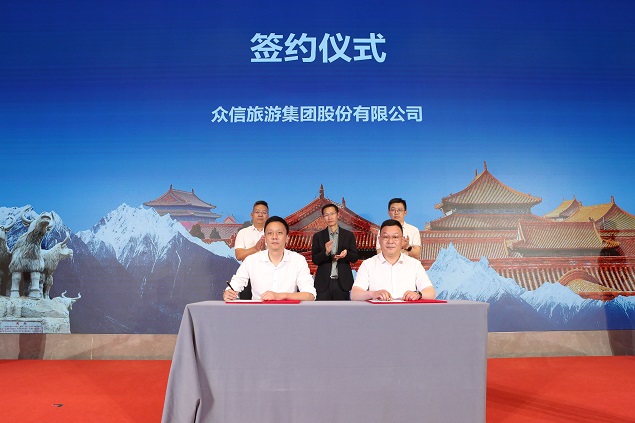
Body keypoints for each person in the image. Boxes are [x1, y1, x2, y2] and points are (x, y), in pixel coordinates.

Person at [224, 216, 316, 301]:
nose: (274, 237)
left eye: (279, 233)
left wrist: (281, 296)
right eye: (270, 233)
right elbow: (236, 284)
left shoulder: (298, 260)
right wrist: (228, 292)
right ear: (265, 238)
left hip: (288, 311)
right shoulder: (251, 260)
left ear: (287, 238)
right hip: (258, 312)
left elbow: (310, 295)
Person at [352, 219, 435, 301]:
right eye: (386, 237)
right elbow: (354, 295)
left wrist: (418, 294)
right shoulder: (368, 264)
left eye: (395, 237)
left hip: (407, 309)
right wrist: (373, 294)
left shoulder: (415, 264)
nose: (390, 241)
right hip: (379, 309)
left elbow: (431, 292)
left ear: (402, 240)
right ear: (379, 240)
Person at [311, 204, 359, 300]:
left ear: (338, 215)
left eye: (332, 214)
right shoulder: (318, 236)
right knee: (321, 309)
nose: (330, 217)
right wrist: (326, 252)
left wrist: (346, 254)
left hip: (342, 283)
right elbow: (315, 259)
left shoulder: (348, 235)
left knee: (342, 309)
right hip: (323, 283)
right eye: (326, 215)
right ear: (323, 217)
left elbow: (355, 257)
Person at [233, 200, 269, 299]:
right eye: (257, 212)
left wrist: (265, 250)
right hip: (247, 275)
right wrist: (255, 248)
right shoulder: (243, 233)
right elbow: (239, 255)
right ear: (251, 215)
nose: (260, 215)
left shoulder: (273, 233)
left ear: (268, 216)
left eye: (264, 212)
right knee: (246, 305)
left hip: (268, 275)